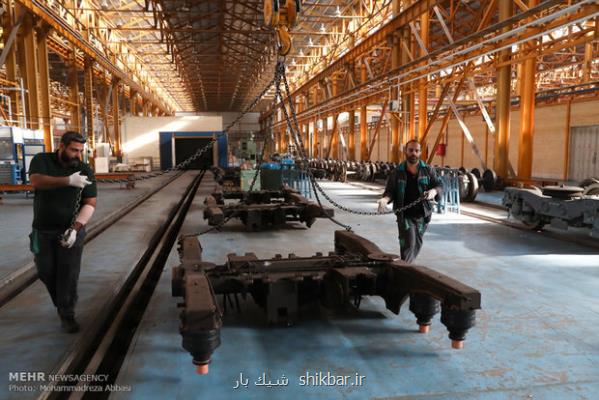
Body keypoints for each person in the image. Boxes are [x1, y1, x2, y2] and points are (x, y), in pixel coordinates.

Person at [28, 131, 97, 333]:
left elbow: (90, 202)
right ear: (62, 146)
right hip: (43, 230)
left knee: (68, 274)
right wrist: (67, 181)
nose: (78, 155)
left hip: (70, 230)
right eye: (74, 150)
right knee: (45, 271)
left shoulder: (84, 169)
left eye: (81, 151)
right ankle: (63, 303)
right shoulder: (42, 160)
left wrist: (75, 229)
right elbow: (36, 181)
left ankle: (67, 313)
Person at [377, 139, 443, 263]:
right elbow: (390, 191)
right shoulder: (397, 172)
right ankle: (404, 271)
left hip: (423, 215)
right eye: (411, 150)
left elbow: (439, 184)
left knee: (416, 244)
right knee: (409, 243)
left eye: (416, 151)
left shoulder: (428, 170)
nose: (414, 153)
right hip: (405, 215)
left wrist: (434, 191)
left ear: (420, 152)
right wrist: (385, 199)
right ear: (405, 151)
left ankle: (406, 267)